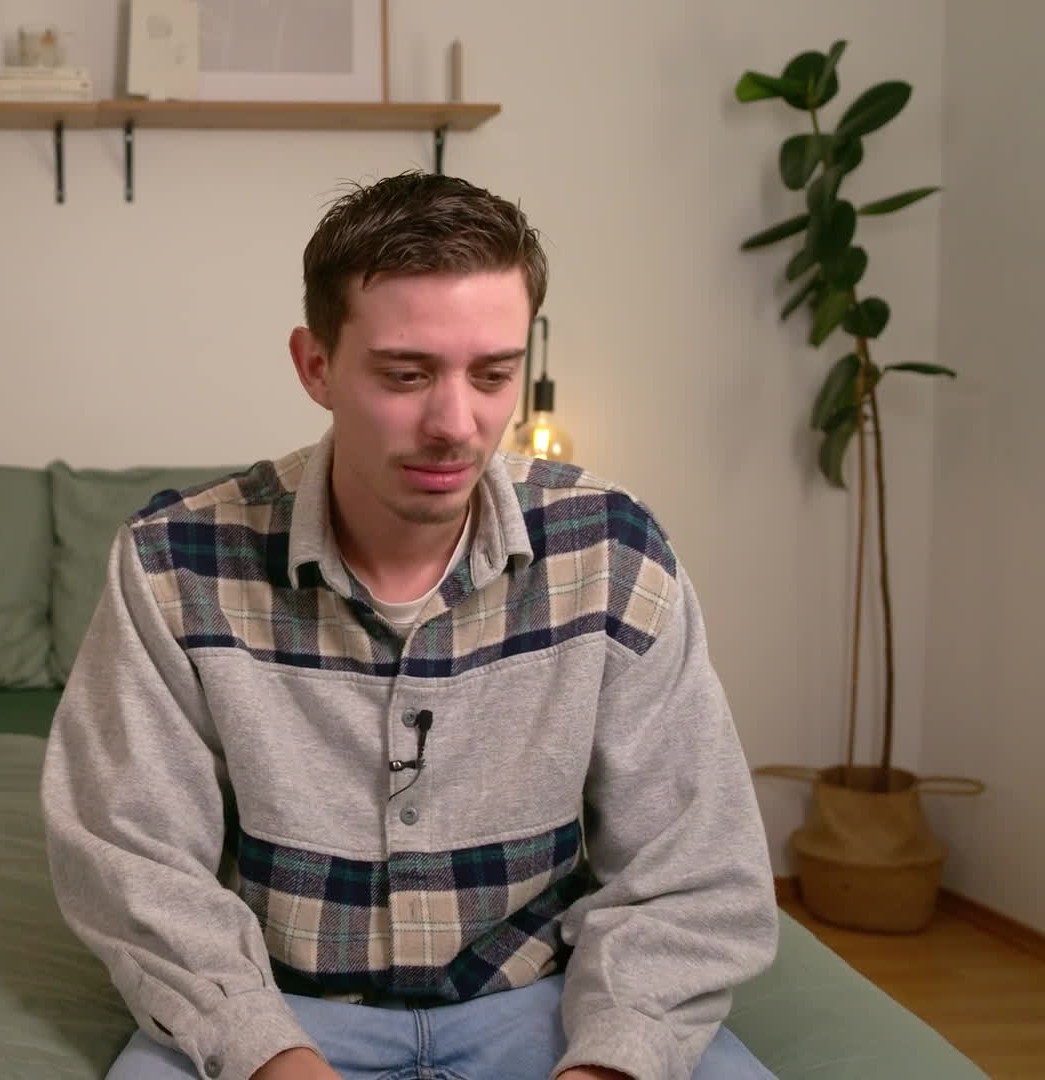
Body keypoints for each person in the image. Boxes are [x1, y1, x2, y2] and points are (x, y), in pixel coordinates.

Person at [40, 171, 779, 1080]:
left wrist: (609, 1063)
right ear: (316, 365)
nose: (455, 424)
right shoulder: (171, 563)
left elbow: (693, 866)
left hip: (555, 1007)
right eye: (406, 374)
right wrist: (269, 1056)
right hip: (276, 1016)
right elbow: (132, 858)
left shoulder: (614, 550)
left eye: (493, 374)